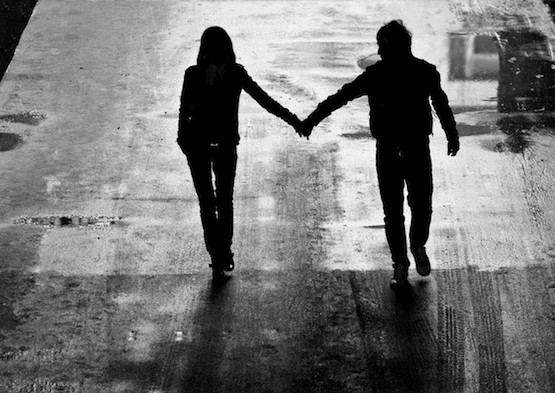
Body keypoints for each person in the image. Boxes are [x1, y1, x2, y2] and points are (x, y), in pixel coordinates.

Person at [299, 20, 460, 287]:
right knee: (405, 207)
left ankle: (411, 251)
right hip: (402, 147)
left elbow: (341, 97)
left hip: (403, 147)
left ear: (400, 47)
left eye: (384, 46)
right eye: (381, 47)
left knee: (408, 207)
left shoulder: (405, 73)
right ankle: (403, 259)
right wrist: (311, 120)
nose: (382, 51)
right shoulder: (416, 72)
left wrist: (310, 121)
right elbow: (343, 96)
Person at [178, 26, 302, 280]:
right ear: (228, 48)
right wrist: (294, 120)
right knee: (224, 200)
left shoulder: (194, 74)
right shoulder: (235, 73)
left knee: (208, 202)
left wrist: (183, 139)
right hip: (224, 144)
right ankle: (222, 251)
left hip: (199, 146)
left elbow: (185, 110)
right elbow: (264, 100)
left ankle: (216, 254)